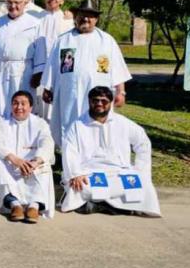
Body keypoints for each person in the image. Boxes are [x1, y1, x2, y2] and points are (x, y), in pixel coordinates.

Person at [41, 0, 131, 146]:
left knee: (96, 124)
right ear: (76, 16)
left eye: (90, 16)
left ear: (96, 19)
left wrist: (121, 92)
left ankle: (96, 157)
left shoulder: (107, 41)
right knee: (69, 124)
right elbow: (52, 66)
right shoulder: (63, 40)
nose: (86, 19)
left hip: (97, 95)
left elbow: (118, 68)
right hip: (70, 94)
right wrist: (47, 88)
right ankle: (70, 158)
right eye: (82, 15)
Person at [61, 86, 160, 217]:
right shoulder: (77, 125)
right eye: (95, 100)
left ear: (111, 102)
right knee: (80, 186)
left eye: (104, 101)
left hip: (119, 171)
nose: (99, 104)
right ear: (89, 101)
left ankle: (98, 205)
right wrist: (75, 174)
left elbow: (143, 143)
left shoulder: (123, 123)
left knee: (143, 184)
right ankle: (118, 207)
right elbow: (69, 150)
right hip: (89, 172)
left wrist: (140, 170)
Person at [0, 91, 55, 223]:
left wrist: (36, 161)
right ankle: (14, 205)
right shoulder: (1, 122)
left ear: (31, 107)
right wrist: (13, 158)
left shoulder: (40, 123)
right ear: (11, 105)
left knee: (45, 165)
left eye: (23, 104)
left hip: (32, 165)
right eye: (15, 103)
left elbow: (47, 142)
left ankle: (34, 206)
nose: (19, 107)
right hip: (11, 163)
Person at [0, 0, 40, 129]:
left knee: (20, 104)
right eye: (10, 3)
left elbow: (40, 51)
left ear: (24, 4)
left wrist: (38, 73)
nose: (13, 6)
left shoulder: (35, 24)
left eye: (17, 3)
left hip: (22, 72)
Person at [30, 0, 73, 118]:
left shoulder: (69, 21)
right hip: (38, 69)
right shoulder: (35, 19)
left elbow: (70, 48)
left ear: (62, 1)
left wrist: (66, 72)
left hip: (59, 69)